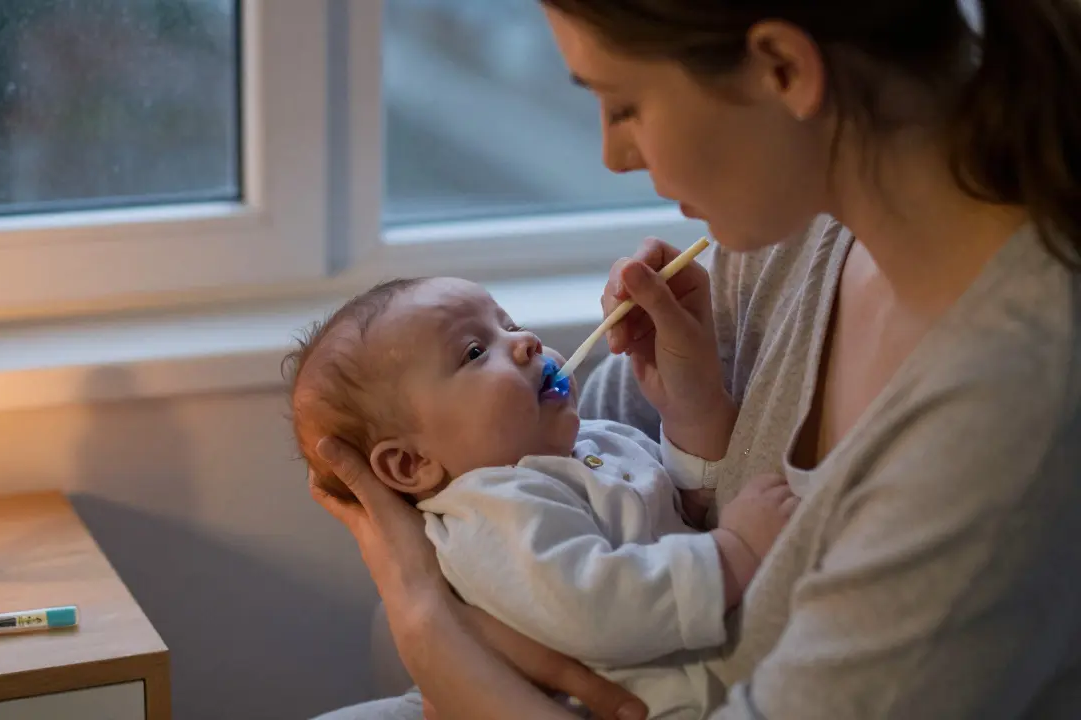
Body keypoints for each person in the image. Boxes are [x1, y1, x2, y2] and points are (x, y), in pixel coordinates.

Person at [311, 0, 1081, 717]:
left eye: (623, 105)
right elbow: (558, 475)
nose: (613, 156)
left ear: (783, 68)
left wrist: (432, 635)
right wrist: (698, 407)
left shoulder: (1013, 420)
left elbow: (450, 607)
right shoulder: (790, 229)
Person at [286, 276, 798, 718]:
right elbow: (597, 606)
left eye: (509, 323)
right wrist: (735, 552)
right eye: (474, 352)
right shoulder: (490, 509)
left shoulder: (585, 443)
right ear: (412, 463)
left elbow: (682, 508)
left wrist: (691, 418)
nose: (526, 341)